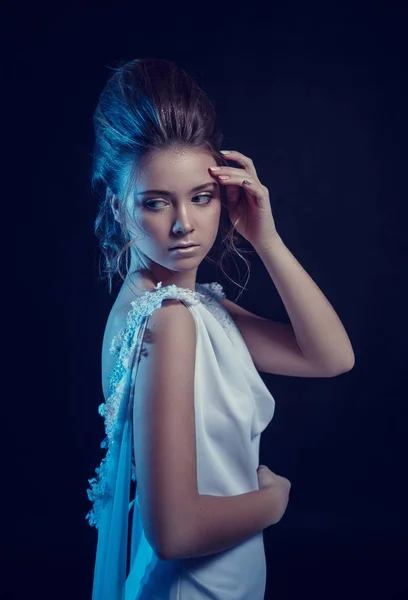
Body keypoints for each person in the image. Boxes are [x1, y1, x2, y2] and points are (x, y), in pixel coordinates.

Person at [86, 57, 291, 600]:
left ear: (223, 194)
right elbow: (174, 532)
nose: (184, 224)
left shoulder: (180, 306)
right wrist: (274, 500)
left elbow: (331, 356)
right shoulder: (171, 319)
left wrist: (264, 238)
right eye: (156, 203)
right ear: (118, 207)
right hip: (196, 586)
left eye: (201, 197)